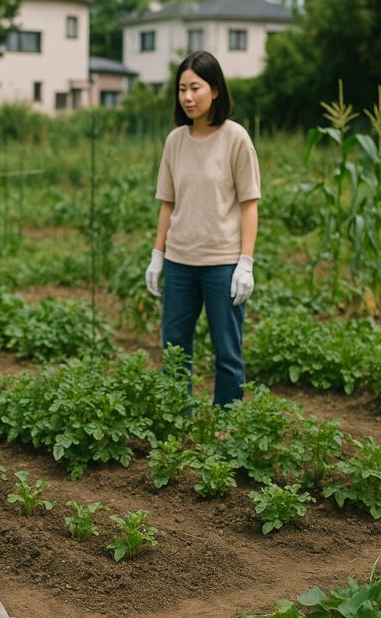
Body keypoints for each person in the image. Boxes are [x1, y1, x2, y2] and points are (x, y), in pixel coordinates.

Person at [144, 50, 260, 406]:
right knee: (175, 347)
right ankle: (176, 418)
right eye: (181, 89)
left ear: (216, 90)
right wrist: (157, 255)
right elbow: (168, 203)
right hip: (180, 263)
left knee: (227, 350)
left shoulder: (235, 138)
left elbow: (249, 204)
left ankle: (229, 425)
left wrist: (245, 262)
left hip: (222, 263)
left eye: (195, 87)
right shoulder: (175, 141)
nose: (188, 97)